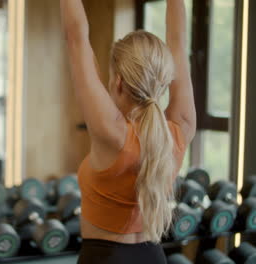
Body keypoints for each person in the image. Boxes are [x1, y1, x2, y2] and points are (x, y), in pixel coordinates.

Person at [60, 0, 196, 263]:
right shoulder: (181, 128)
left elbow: (77, 37)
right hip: (154, 256)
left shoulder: (112, 133)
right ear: (166, 80)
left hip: (105, 258)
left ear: (118, 81)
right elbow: (178, 44)